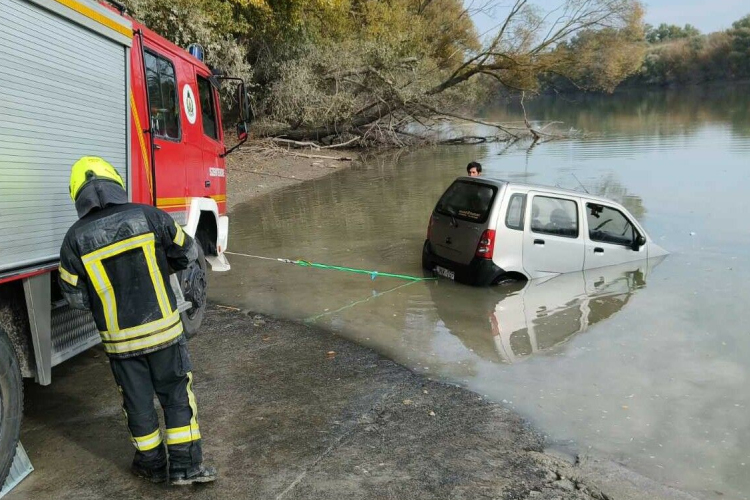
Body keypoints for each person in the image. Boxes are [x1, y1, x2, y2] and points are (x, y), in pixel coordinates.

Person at [58, 157, 216, 486]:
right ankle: (186, 468)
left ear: (78, 195)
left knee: (137, 403)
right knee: (176, 395)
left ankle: (152, 466)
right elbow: (187, 251)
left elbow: (74, 297)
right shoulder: (148, 215)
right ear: (115, 183)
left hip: (121, 342)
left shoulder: (73, 240)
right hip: (164, 331)